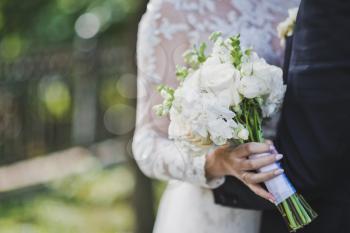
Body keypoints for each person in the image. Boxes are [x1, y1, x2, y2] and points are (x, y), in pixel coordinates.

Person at [133, 0, 299, 232]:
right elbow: (148, 144)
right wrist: (214, 163)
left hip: (302, 191)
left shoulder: (296, 5)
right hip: (213, 214)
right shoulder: (171, 12)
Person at [214, 0, 350, 232]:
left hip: (306, 201)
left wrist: (221, 175)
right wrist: (209, 166)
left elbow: (311, 159)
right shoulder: (171, 11)